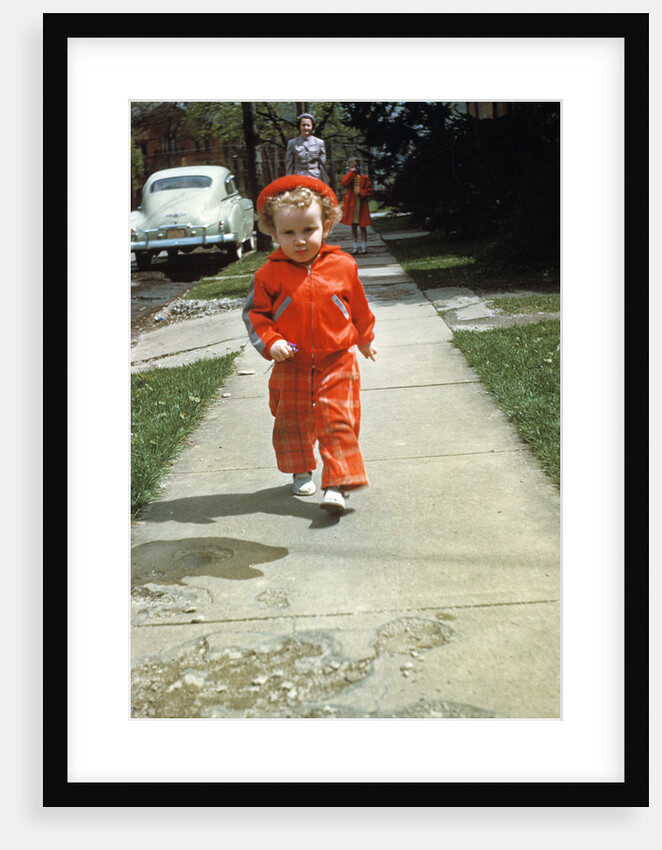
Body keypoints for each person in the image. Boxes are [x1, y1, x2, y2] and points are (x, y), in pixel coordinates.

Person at [242, 175, 377, 515]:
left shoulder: (343, 266)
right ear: (273, 233)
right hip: (292, 362)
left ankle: (337, 483)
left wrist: (365, 338)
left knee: (339, 418)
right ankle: (301, 467)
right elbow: (256, 315)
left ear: (326, 226)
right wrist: (271, 343)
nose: (300, 241)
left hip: (337, 359)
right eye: (288, 233)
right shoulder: (268, 276)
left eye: (308, 230)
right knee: (293, 420)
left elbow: (358, 308)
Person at [340, 158, 373, 255]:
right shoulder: (348, 177)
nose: (355, 168)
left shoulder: (364, 178)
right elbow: (344, 183)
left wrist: (362, 192)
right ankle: (355, 247)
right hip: (351, 205)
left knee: (363, 226)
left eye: (356, 166)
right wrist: (351, 173)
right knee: (353, 226)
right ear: (349, 167)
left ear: (359, 166)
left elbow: (370, 190)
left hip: (361, 205)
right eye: (352, 167)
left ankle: (364, 247)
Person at [285, 113, 329, 183]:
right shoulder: (292, 143)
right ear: (299, 126)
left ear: (312, 126)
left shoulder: (319, 143)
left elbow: (322, 166)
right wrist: (288, 182)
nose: (306, 128)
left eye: (308, 125)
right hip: (298, 179)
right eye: (303, 125)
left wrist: (325, 183)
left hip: (315, 178)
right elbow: (289, 165)